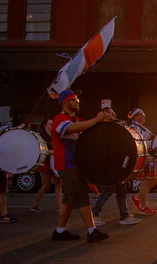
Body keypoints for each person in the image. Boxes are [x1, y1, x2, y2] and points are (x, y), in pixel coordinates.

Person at [51, 89, 110, 242]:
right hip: (67, 164)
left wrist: (102, 119)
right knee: (81, 197)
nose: (78, 101)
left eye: (77, 99)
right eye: (74, 99)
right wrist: (96, 120)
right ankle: (92, 231)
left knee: (68, 200)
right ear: (65, 103)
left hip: (73, 164)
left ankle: (60, 231)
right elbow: (72, 129)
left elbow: (86, 126)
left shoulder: (74, 119)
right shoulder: (60, 119)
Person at [91, 108, 141, 226]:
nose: (115, 115)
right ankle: (94, 215)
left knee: (122, 190)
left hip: (117, 164)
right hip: (109, 165)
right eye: (112, 114)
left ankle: (124, 215)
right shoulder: (102, 128)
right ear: (106, 115)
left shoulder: (114, 127)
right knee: (107, 190)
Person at [128, 108, 157, 215]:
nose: (143, 116)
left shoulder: (141, 127)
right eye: (140, 114)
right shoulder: (134, 127)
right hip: (145, 157)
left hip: (150, 156)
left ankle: (137, 198)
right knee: (146, 180)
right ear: (135, 117)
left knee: (155, 179)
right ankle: (144, 206)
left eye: (143, 114)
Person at [31, 118, 62, 212]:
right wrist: (52, 152)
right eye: (50, 124)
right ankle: (35, 204)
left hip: (54, 162)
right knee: (46, 185)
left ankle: (60, 206)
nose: (52, 125)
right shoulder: (42, 136)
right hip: (46, 162)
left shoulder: (53, 136)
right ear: (45, 125)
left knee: (58, 183)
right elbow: (42, 150)